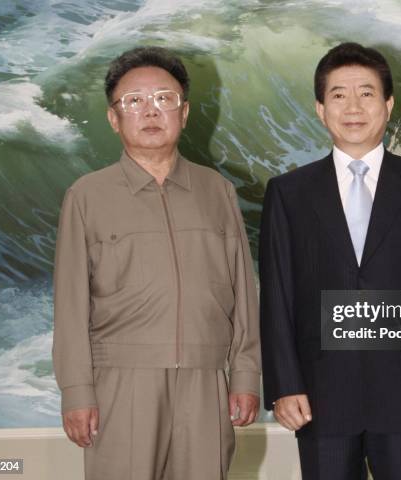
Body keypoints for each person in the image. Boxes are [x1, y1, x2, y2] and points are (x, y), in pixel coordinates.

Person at [259, 42, 401, 480]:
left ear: (388, 105)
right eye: (338, 95)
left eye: (367, 93)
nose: (353, 106)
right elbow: (277, 295)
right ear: (320, 109)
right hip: (321, 395)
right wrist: (284, 384)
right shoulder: (288, 193)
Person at [52, 46, 260, 480]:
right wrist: (76, 391)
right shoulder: (86, 196)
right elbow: (70, 306)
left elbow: (243, 291)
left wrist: (244, 376)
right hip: (121, 385)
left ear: (183, 113)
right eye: (135, 101)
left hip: (206, 384)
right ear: (114, 118)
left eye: (164, 99)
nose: (151, 111)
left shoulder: (217, 191)